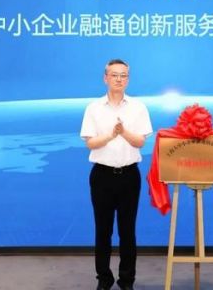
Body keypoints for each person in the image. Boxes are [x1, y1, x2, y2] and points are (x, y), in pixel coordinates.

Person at [80, 59, 153, 290]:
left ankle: (127, 280)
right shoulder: (93, 108)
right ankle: (104, 278)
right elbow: (90, 143)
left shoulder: (138, 107)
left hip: (129, 176)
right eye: (114, 75)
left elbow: (140, 141)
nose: (119, 79)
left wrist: (123, 132)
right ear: (105, 78)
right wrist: (111, 135)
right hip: (102, 176)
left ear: (128, 79)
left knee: (127, 231)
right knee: (103, 230)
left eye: (123, 75)